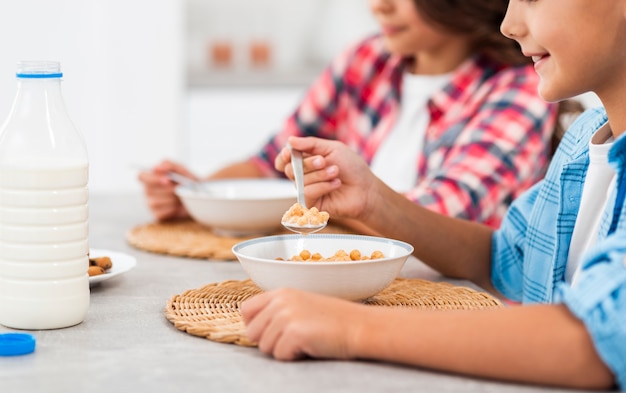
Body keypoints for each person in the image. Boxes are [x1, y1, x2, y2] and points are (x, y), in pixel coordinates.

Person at [240, 0, 625, 391]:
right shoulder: (584, 141)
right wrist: (375, 201)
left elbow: (597, 341)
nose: (508, 25)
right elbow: (502, 258)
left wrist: (346, 327)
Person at [139, 0, 562, 230]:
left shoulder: (517, 89)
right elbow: (267, 163)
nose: (379, 6)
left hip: (452, 302)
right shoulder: (367, 58)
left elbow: (438, 219)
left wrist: (314, 204)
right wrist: (199, 194)